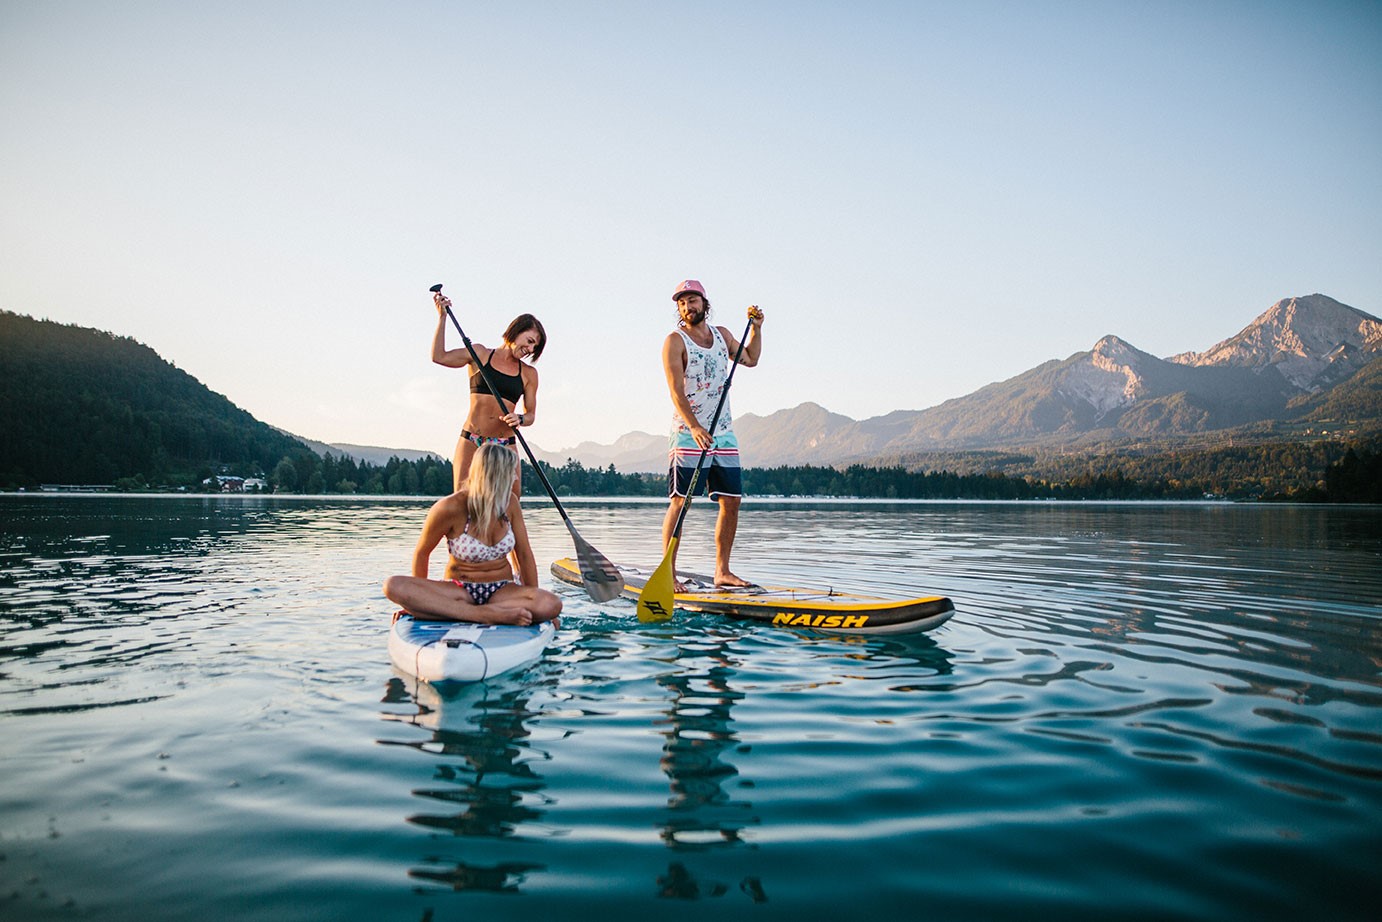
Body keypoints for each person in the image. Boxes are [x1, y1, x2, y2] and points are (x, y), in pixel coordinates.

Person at [383, 443, 562, 625]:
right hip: (459, 592)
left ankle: (458, 612)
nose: (515, 478)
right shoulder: (449, 507)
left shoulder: (510, 503)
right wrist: (419, 601)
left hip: (503, 592)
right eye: (511, 472)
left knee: (551, 603)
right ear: (496, 476)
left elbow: (524, 554)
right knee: (393, 585)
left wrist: (534, 597)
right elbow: (422, 553)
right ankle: (480, 614)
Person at [660, 279, 764, 590]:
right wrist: (694, 426)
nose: (687, 307)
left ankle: (723, 571)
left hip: (724, 432)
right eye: (682, 303)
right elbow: (675, 392)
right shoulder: (674, 341)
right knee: (681, 501)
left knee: (732, 500)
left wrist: (757, 328)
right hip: (688, 432)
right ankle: (668, 571)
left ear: (705, 303)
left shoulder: (722, 336)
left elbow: (751, 359)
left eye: (692, 300)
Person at [431, 288, 545, 492]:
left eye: (534, 348)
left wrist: (520, 419)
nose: (530, 350)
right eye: (529, 341)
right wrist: (442, 318)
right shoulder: (480, 354)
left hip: (505, 443)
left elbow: (531, 415)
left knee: (511, 504)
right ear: (516, 331)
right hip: (472, 438)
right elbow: (439, 356)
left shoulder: (529, 374)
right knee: (462, 501)